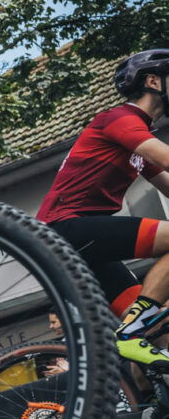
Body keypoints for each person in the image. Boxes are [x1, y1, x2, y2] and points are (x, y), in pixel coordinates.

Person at [36, 49, 169, 369]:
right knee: (138, 326)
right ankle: (132, 332)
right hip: (63, 229)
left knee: (157, 335)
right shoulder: (120, 119)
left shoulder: (137, 140)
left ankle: (143, 400)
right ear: (153, 81)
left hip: (79, 243)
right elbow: (165, 157)